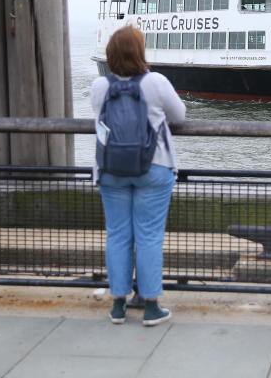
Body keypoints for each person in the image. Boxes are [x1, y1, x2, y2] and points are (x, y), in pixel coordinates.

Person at [90, 26, 186, 326]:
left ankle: (118, 306)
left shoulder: (100, 86)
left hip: (111, 169)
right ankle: (151, 306)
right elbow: (179, 116)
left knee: (117, 235)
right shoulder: (156, 82)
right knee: (149, 237)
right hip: (153, 167)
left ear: (110, 54)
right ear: (140, 51)